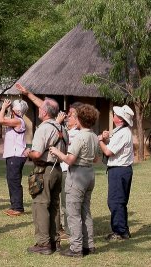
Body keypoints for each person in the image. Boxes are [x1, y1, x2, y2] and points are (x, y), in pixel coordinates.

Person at [16, 83, 68, 255]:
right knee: (54, 206)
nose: (39, 109)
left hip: (44, 170)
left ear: (45, 112)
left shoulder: (43, 128)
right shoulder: (62, 128)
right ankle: (55, 241)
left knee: (40, 205)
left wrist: (27, 152)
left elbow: (37, 153)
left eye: (41, 108)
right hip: (58, 169)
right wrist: (29, 94)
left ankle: (43, 243)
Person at [50, 104, 99, 257]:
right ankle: (89, 245)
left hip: (77, 174)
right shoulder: (93, 136)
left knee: (73, 213)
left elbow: (70, 159)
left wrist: (57, 151)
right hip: (90, 173)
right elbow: (96, 159)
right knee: (85, 211)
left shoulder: (80, 137)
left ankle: (76, 248)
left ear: (80, 119)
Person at [99, 105, 134, 241]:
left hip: (119, 170)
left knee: (115, 201)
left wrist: (100, 141)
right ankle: (122, 230)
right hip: (121, 169)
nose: (114, 115)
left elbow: (108, 151)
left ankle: (119, 231)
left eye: (116, 114)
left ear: (120, 119)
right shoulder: (121, 131)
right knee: (119, 201)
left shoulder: (123, 133)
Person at [0, 98, 29, 217]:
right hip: (14, 155)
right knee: (12, 180)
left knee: (14, 181)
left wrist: (4, 107)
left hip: (16, 155)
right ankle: (14, 205)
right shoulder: (16, 120)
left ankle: (18, 207)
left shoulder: (18, 121)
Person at [56, 102, 82, 240]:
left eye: (71, 116)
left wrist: (57, 123)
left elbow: (58, 137)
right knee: (63, 201)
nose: (67, 117)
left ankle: (69, 230)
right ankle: (64, 227)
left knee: (67, 202)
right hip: (64, 170)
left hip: (69, 171)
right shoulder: (69, 131)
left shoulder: (75, 133)